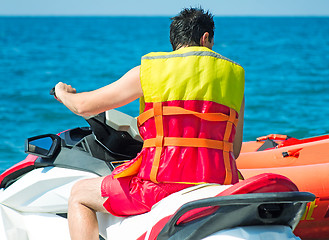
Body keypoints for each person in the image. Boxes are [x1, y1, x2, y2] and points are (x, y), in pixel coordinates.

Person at [55, 7, 245, 240]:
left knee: (79, 194)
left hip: (159, 186)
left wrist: (63, 93)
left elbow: (83, 106)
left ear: (174, 41)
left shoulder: (150, 71)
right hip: (219, 181)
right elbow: (234, 150)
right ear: (206, 38)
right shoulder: (235, 77)